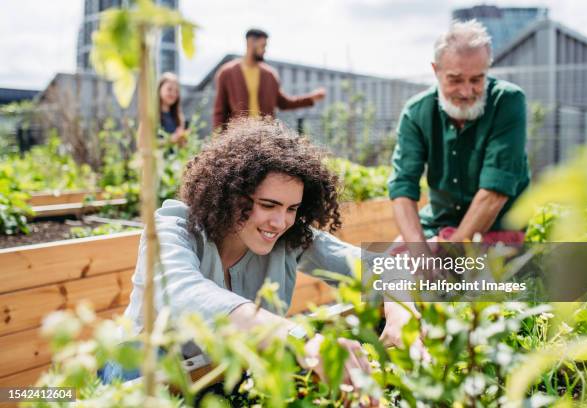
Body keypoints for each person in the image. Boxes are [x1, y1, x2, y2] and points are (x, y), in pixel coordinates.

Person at [121, 118, 418, 390]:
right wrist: (299, 340)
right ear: (230, 193)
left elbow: (376, 265)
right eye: (268, 205)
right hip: (139, 378)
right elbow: (181, 292)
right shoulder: (172, 228)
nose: (280, 222)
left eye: (292, 209)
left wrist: (400, 308)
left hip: (223, 379)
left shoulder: (288, 237)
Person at [388, 20, 530, 245]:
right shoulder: (416, 112)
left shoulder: (508, 101)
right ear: (436, 70)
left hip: (497, 230)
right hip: (436, 225)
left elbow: (494, 193)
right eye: (455, 80)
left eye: (477, 79)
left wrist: (450, 254)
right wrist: (419, 251)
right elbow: (403, 186)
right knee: (388, 271)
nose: (466, 91)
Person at [212, 28, 326, 131]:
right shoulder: (227, 72)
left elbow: (283, 103)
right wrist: (218, 138)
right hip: (239, 137)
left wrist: (311, 98)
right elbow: (220, 110)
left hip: (266, 137)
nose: (265, 50)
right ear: (250, 42)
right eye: (263, 46)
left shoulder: (270, 75)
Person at [158, 72, 187, 146]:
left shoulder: (179, 117)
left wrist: (182, 140)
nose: (173, 94)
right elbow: (142, 144)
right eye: (169, 89)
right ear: (159, 89)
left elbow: (182, 146)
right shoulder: (150, 115)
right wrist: (170, 140)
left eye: (176, 91)